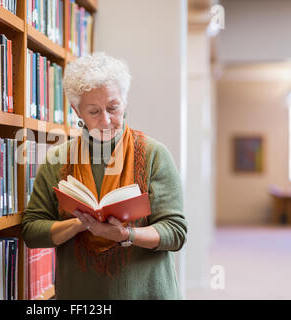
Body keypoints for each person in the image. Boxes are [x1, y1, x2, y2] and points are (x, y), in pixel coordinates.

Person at [22, 52, 188, 299]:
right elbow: (32, 231)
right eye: (94, 111)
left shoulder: (155, 154)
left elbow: (175, 232)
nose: (106, 120)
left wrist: (127, 235)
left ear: (125, 101)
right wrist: (80, 224)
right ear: (77, 111)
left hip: (147, 293)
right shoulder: (57, 160)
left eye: (113, 108)